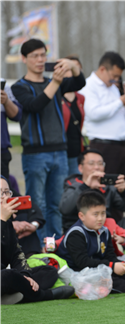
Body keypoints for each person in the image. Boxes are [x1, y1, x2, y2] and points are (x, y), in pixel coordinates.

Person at [11, 39, 86, 239]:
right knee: (37, 204)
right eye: (35, 56)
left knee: (56, 204)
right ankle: (38, 248)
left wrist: (72, 67)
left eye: (43, 55)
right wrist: (55, 82)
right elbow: (35, 105)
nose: (40, 59)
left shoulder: (54, 82)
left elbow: (80, 83)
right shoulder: (20, 86)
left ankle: (54, 245)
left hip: (60, 151)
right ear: (24, 59)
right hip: (35, 153)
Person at [56, 191, 125, 293]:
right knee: (100, 277)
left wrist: (119, 265)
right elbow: (82, 262)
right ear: (81, 216)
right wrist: (112, 266)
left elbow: (110, 256)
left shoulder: (104, 231)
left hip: (96, 268)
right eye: (95, 214)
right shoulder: (76, 234)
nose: (100, 218)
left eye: (103, 213)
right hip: (75, 272)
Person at [1, 176, 74, 304]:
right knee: (7, 275)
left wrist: (25, 276)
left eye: (6, 192)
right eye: (0, 193)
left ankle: (12, 295)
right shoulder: (4, 220)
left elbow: (16, 254)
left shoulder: (7, 221)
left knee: (49, 271)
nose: (5, 197)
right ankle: (45, 295)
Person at [79, 51, 125, 191]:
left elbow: (120, 114)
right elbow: (93, 113)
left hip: (122, 145)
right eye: (114, 76)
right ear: (103, 69)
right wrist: (120, 101)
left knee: (124, 188)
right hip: (103, 145)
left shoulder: (112, 87)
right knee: (107, 188)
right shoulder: (88, 86)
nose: (116, 80)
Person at [59, 149, 125, 233]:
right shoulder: (73, 184)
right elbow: (65, 209)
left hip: (105, 232)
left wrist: (124, 192)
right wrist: (86, 186)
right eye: (91, 163)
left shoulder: (108, 188)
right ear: (81, 168)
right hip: (79, 233)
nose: (97, 167)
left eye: (100, 163)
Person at [62, 55, 86, 176]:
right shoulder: (55, 96)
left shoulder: (81, 98)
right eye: (69, 67)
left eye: (76, 68)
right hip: (61, 151)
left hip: (77, 151)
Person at [1, 79, 22, 178]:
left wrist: (6, 101)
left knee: (4, 189)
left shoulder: (2, 83)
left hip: (2, 151)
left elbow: (17, 116)